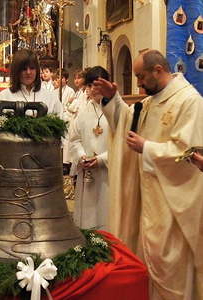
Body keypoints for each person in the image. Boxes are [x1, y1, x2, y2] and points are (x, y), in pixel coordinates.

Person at [92, 49, 203, 300]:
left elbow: (190, 153)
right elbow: (127, 125)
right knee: (147, 257)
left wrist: (147, 148)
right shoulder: (150, 101)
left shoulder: (188, 101)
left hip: (173, 202)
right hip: (148, 198)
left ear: (158, 70)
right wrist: (113, 100)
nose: (139, 83)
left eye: (141, 77)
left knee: (169, 264)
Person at [69, 66, 109, 230]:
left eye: (97, 85)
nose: (93, 89)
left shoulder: (117, 111)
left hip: (107, 172)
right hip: (87, 172)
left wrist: (101, 159)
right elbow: (74, 139)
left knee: (106, 211)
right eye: (90, 85)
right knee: (87, 215)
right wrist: (81, 156)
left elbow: (122, 144)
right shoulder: (84, 111)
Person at [0, 49, 62, 117]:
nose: (28, 72)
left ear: (37, 70)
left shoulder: (50, 97)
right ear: (16, 71)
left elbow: (62, 124)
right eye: (24, 69)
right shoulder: (4, 96)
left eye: (32, 68)